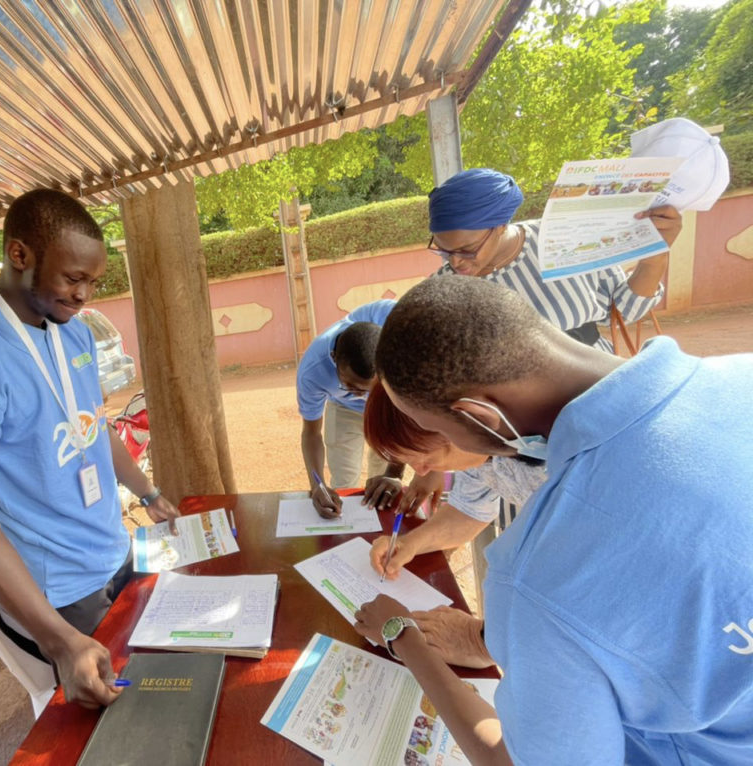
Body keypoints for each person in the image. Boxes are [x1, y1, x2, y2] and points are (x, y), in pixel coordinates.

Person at [354, 275, 753, 765]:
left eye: (436, 431)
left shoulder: (539, 577)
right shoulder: (741, 374)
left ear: (480, 416)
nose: (425, 470)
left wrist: (404, 637)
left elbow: (511, 757)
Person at [0, 188, 180, 711]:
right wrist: (58, 641)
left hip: (114, 550)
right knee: (128, 716)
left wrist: (147, 492)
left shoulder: (71, 335)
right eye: (73, 278)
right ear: (19, 255)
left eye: (93, 282)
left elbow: (92, 430)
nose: (83, 295)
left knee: (165, 683)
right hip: (59, 594)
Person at [361, 384, 546, 668]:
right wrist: (410, 544)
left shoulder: (563, 462)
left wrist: (482, 640)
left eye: (424, 459)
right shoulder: (478, 445)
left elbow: (590, 591)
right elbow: (469, 511)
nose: (422, 472)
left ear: (458, 422)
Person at [426, 168, 681, 351]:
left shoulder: (564, 239)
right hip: (518, 417)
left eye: (467, 249)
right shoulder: (443, 290)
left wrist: (653, 261)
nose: (456, 263)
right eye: (444, 251)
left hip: (597, 382)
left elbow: (623, 313)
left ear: (501, 225)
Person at [296, 300, 405, 517]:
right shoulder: (312, 373)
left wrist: (395, 474)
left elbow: (408, 417)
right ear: (334, 359)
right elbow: (311, 433)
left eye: (370, 388)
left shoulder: (400, 335)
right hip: (342, 407)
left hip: (387, 405)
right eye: (351, 385)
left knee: (382, 481)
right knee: (344, 481)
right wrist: (317, 484)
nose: (362, 395)